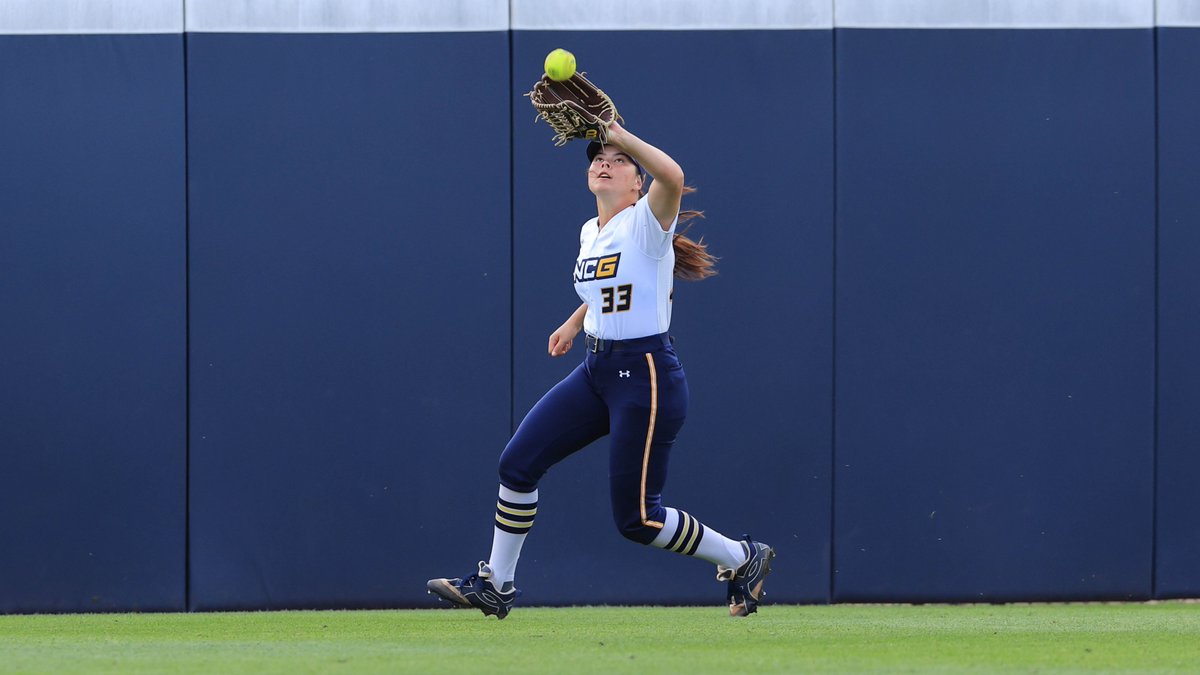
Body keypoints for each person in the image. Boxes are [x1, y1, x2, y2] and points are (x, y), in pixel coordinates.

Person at [427, 121, 774, 618]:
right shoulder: (591, 230)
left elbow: (673, 176)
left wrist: (617, 130)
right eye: (597, 156)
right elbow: (602, 291)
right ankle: (496, 584)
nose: (603, 162)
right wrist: (573, 323)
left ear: (638, 182)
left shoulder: (647, 222)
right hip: (597, 371)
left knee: (637, 520)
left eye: (616, 158)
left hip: (647, 373)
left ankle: (743, 557)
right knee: (517, 464)